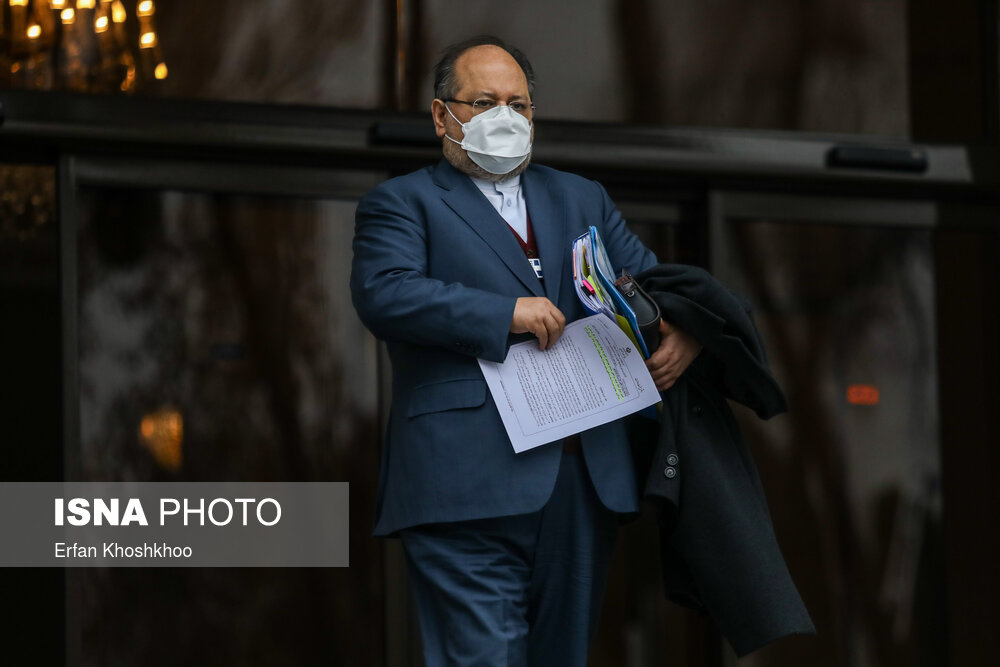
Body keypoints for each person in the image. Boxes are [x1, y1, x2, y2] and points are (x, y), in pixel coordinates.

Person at [350, 35, 700, 666]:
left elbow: (649, 285)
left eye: (518, 104)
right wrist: (503, 312)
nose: (504, 117)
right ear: (442, 117)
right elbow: (385, 293)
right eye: (484, 102)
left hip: (581, 477)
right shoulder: (403, 202)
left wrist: (686, 330)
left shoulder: (581, 197)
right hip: (465, 483)